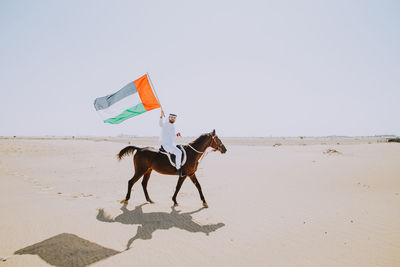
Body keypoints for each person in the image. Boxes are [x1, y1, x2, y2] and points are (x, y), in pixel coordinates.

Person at [159, 110, 184, 176]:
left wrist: (177, 135)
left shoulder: (172, 125)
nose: (173, 119)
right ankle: (178, 169)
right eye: (171, 117)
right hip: (166, 145)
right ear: (169, 118)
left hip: (171, 144)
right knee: (179, 152)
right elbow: (160, 124)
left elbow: (172, 136)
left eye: (174, 118)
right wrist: (161, 116)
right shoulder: (166, 124)